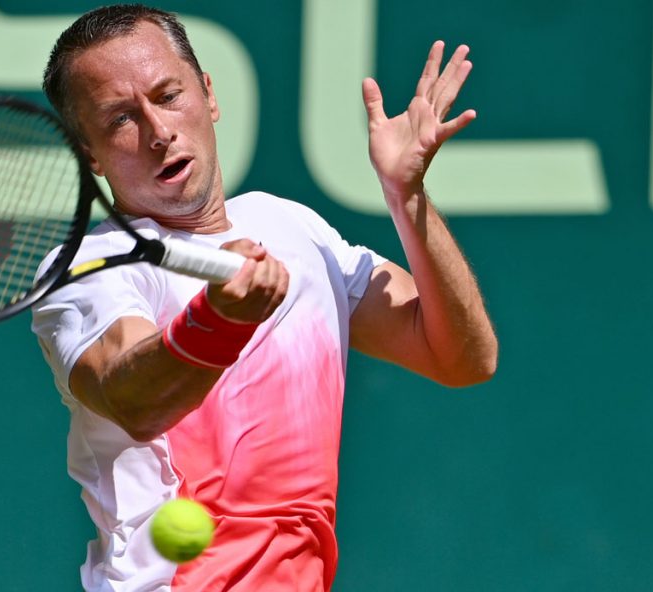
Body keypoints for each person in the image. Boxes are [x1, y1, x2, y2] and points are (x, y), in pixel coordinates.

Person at [32, 4, 498, 591]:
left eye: (169, 95)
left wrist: (409, 199)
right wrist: (217, 322)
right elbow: (133, 400)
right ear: (89, 154)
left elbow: (461, 357)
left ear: (209, 95)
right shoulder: (90, 265)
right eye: (122, 118)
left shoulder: (291, 227)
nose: (158, 131)